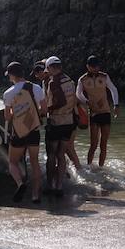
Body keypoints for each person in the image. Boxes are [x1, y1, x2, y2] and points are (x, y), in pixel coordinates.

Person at [3, 62, 45, 203]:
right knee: (34, 162)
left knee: (12, 162)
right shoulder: (36, 88)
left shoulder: (8, 93)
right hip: (34, 130)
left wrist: (16, 112)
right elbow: (44, 109)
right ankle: (35, 195)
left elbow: (7, 117)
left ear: (12, 75)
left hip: (19, 132)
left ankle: (20, 184)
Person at [41, 56, 79, 196]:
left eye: (48, 69)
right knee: (61, 154)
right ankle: (59, 186)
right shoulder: (70, 81)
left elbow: (61, 101)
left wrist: (47, 110)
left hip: (56, 122)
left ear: (51, 68)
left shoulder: (54, 83)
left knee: (51, 154)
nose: (47, 71)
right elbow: (73, 100)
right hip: (68, 122)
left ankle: (51, 185)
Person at [77, 55, 120, 167]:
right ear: (87, 66)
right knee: (93, 144)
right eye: (92, 66)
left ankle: (101, 167)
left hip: (105, 111)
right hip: (94, 112)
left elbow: (113, 89)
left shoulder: (104, 76)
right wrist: (86, 102)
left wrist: (116, 105)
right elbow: (78, 94)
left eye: (96, 66)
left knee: (103, 144)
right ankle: (89, 166)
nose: (95, 68)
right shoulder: (83, 79)